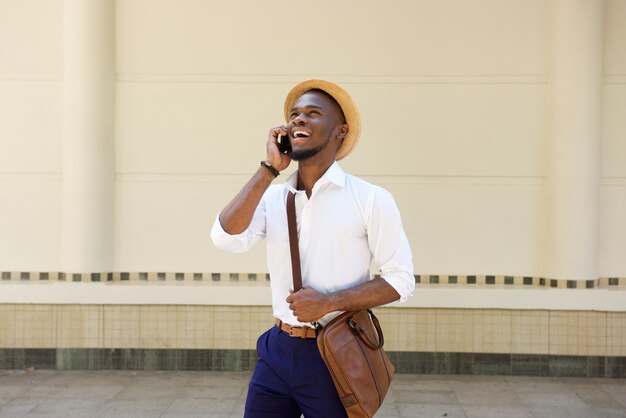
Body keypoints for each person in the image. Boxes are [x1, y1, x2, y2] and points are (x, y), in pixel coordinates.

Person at [211, 80, 414, 418]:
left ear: (340, 131)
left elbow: (401, 280)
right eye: (294, 115)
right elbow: (225, 236)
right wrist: (270, 169)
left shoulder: (370, 199)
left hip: (334, 350)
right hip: (277, 349)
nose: (298, 120)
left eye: (312, 114)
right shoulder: (275, 196)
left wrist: (328, 302)